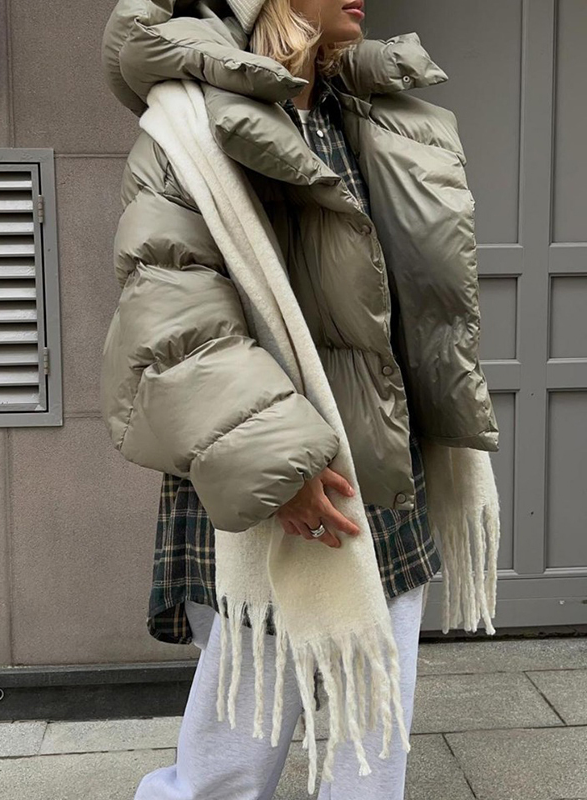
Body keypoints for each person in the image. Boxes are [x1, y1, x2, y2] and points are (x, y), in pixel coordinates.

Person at [99, 0, 499, 797]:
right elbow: (175, 312)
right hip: (267, 468)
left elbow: (425, 301)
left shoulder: (369, 112)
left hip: (383, 466)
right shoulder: (188, 125)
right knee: (231, 766)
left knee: (371, 745)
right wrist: (278, 464)